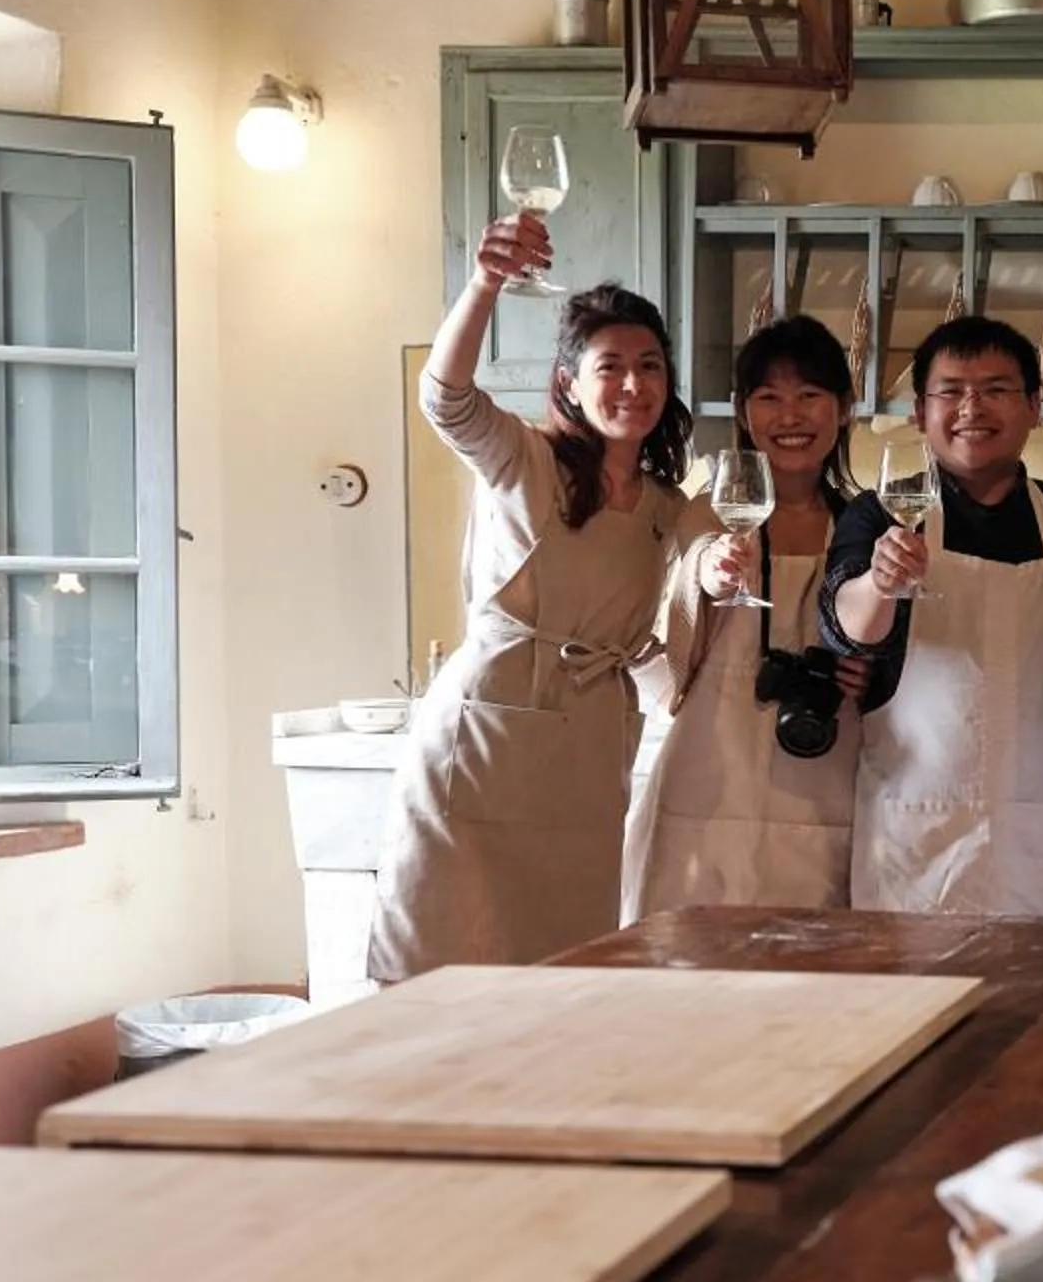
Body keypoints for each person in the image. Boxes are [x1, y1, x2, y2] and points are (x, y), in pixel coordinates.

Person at [368, 214, 691, 980]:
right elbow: (445, 398)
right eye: (610, 366)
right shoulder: (524, 458)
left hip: (584, 763)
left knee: (559, 973)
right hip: (486, 744)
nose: (634, 385)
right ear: (569, 383)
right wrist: (484, 283)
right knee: (444, 965)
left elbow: (686, 603)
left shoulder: (665, 506)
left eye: (650, 366)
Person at [824, 316, 1043, 920]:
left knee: (1038, 1003)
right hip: (911, 832)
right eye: (951, 391)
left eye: (997, 389)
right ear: (920, 412)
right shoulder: (882, 514)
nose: (973, 407)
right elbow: (843, 625)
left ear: (1033, 406)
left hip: (1039, 830)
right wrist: (880, 582)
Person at [622, 317, 873, 918]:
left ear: (843, 409)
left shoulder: (860, 524)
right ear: (743, 412)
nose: (791, 416)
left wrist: (869, 676)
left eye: (810, 395)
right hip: (711, 770)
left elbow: (889, 639)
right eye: (769, 398)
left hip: (824, 771)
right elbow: (678, 594)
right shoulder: (709, 511)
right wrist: (711, 573)